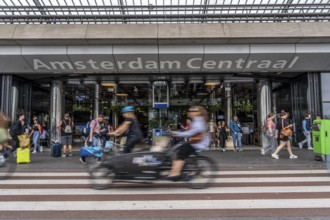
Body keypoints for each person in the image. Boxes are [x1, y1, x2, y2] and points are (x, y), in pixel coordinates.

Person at [168, 105, 210, 180]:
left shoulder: (198, 121)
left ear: (198, 113)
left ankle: (176, 173)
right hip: (195, 142)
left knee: (180, 152)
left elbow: (191, 133)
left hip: (197, 143)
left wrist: (177, 134)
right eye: (189, 111)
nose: (189, 112)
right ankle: (176, 169)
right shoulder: (196, 120)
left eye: (192, 111)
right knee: (177, 148)